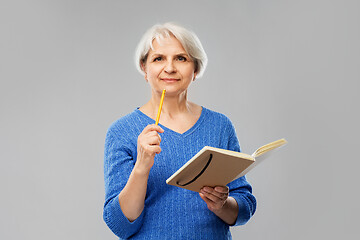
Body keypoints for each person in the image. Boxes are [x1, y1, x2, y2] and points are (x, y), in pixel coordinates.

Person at [103, 22, 256, 240]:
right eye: (158, 59)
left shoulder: (220, 126)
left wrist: (222, 205)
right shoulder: (122, 132)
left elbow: (244, 207)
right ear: (144, 68)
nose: (170, 68)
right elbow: (120, 225)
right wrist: (141, 167)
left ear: (195, 69)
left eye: (181, 58)